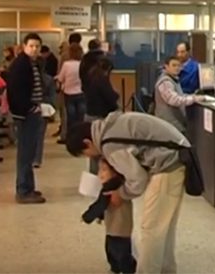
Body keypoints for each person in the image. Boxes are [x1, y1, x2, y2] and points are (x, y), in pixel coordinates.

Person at [66, 111, 189, 274]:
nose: (89, 157)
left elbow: (138, 179)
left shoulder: (109, 145)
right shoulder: (109, 126)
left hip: (167, 165)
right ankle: (166, 270)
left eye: (84, 154)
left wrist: (121, 193)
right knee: (163, 228)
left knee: (151, 230)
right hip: (178, 156)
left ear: (87, 142)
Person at [7, 33, 46, 204]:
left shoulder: (32, 64)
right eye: (31, 46)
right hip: (25, 115)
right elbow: (15, 92)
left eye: (37, 46)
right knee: (25, 153)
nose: (34, 49)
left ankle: (28, 187)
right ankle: (23, 190)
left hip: (32, 112)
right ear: (24, 46)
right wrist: (28, 108)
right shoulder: (20, 65)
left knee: (29, 153)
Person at [81, 157, 136, 274]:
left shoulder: (112, 187)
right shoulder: (117, 186)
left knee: (119, 249)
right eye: (100, 169)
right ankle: (117, 267)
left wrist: (87, 216)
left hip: (119, 226)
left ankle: (126, 268)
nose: (100, 173)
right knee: (113, 247)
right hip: (115, 225)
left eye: (104, 170)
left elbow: (101, 204)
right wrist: (101, 216)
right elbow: (104, 205)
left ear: (116, 172)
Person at [154, 56, 204, 133]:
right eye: (174, 65)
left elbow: (179, 95)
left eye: (179, 66)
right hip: (168, 125)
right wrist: (194, 99)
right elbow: (174, 100)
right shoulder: (165, 82)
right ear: (166, 66)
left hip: (174, 124)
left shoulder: (173, 79)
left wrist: (192, 96)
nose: (177, 68)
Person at [56, 43, 86, 142]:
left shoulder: (66, 65)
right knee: (81, 117)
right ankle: (81, 137)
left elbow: (60, 78)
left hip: (68, 93)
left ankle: (71, 137)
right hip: (81, 93)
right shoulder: (83, 64)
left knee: (71, 117)